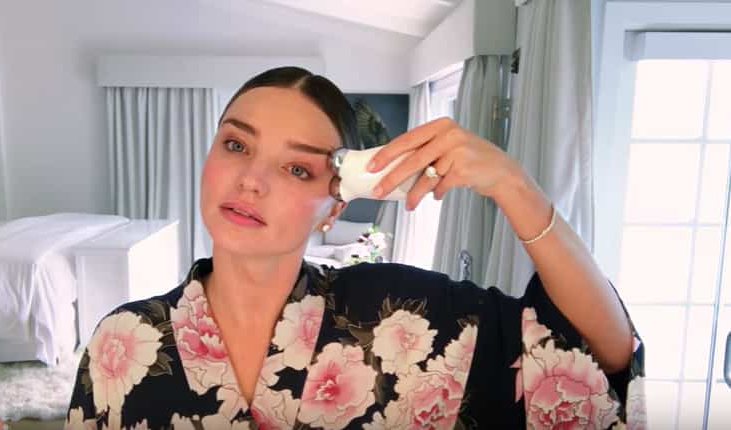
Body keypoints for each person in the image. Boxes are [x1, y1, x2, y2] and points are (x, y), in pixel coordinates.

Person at [51, 66, 644, 429]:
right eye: (236, 145)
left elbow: (600, 356)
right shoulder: (120, 342)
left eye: (297, 169)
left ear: (334, 206)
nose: (251, 180)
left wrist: (515, 186)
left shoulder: (406, 317)